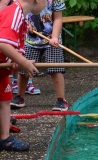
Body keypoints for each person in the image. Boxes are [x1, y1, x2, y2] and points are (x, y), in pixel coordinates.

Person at [0, 0, 46, 151]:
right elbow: (3, 43)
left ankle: (4, 139)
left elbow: (16, 42)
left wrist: (17, 57)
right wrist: (23, 62)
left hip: (2, 70)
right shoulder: (14, 13)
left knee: (4, 101)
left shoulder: (22, 16)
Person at [10, 0, 68, 111]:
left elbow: (58, 18)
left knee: (55, 68)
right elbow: (19, 14)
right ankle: (19, 97)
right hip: (29, 41)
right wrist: (26, 26)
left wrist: (55, 36)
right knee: (24, 69)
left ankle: (61, 100)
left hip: (52, 41)